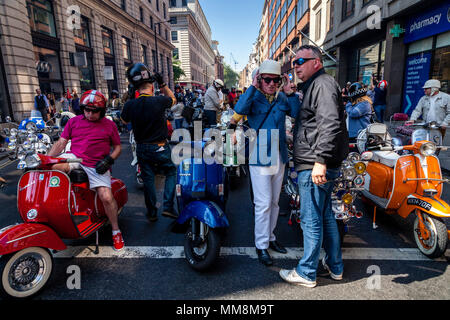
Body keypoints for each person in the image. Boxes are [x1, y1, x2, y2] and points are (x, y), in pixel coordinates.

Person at [279, 45, 349, 288]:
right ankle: (336, 266)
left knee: (311, 219)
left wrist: (319, 161)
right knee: (326, 215)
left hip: (315, 164)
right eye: (294, 62)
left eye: (300, 61)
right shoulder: (316, 85)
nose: (295, 66)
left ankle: (307, 272)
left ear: (316, 62)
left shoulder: (323, 84)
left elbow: (330, 124)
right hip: (318, 162)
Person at [234, 59, 300, 266]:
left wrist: (289, 93)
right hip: (260, 155)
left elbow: (296, 113)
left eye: (276, 80)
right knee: (263, 203)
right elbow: (239, 109)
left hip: (279, 155)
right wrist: (252, 88)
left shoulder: (281, 97)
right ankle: (261, 245)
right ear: (260, 79)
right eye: (267, 79)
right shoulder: (253, 97)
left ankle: (270, 239)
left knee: (273, 202)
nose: (272, 83)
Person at [47, 89, 124, 251]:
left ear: (102, 111)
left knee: (106, 197)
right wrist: (46, 160)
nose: (89, 114)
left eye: (94, 111)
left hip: (97, 164)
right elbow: (61, 143)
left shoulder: (109, 125)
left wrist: (109, 159)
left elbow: (117, 148)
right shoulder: (73, 122)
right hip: (75, 157)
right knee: (53, 169)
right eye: (86, 110)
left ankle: (116, 230)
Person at [121, 62, 178, 222]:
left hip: (142, 148)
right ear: (151, 86)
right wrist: (163, 84)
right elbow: (173, 99)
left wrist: (131, 98)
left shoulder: (131, 104)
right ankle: (167, 206)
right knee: (171, 171)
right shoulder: (159, 101)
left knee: (148, 180)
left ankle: (152, 212)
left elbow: (124, 121)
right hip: (159, 146)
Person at [345, 82, 373, 151]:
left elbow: (353, 113)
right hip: (353, 135)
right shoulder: (356, 104)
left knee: (357, 157)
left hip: (360, 136)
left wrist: (348, 103)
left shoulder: (365, 104)